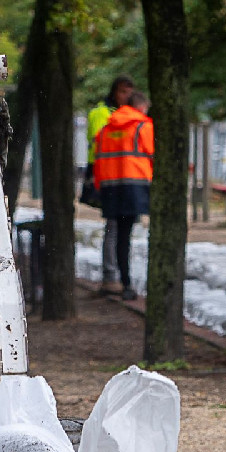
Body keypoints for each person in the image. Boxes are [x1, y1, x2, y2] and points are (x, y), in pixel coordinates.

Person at [93, 89, 153, 301]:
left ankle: (124, 281)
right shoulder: (143, 126)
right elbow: (153, 155)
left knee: (119, 237)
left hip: (111, 189)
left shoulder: (107, 129)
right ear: (141, 106)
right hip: (135, 187)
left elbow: (98, 160)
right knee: (129, 235)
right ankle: (130, 284)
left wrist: (101, 187)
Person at [89, 76, 135, 293]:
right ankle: (110, 275)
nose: (127, 97)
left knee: (116, 228)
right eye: (123, 92)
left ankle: (114, 274)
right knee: (114, 227)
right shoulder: (103, 114)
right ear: (115, 92)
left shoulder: (125, 115)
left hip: (119, 178)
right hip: (108, 178)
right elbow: (102, 145)